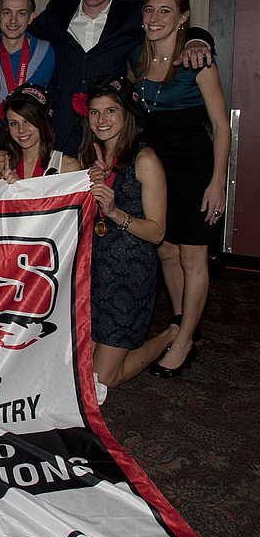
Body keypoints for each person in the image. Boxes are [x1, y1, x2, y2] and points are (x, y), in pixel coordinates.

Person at [128, 0, 231, 378]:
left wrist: (218, 182)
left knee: (192, 256)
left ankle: (184, 342)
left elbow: (221, 127)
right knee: (166, 250)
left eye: (165, 11)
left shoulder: (198, 61)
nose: (154, 19)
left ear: (183, 17)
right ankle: (182, 319)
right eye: (149, 10)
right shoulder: (136, 58)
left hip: (194, 169)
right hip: (156, 168)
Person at [28, 0, 213, 157]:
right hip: (59, 131)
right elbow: (15, 31)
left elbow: (173, 25)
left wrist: (197, 41)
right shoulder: (58, 9)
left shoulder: (134, 14)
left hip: (108, 134)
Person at [80, 76, 177, 390]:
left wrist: (115, 213)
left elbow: (158, 232)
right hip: (93, 274)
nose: (101, 120)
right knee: (79, 373)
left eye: (111, 111)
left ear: (127, 114)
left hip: (129, 278)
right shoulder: (91, 158)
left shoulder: (145, 160)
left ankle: (170, 336)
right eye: (95, 112)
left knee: (101, 380)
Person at [0, 84, 81, 182]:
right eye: (14, 123)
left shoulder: (67, 167)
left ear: (43, 122)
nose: (21, 130)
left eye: (27, 121)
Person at [0, 0, 55, 123]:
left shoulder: (45, 52)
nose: (13, 20)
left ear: (31, 18)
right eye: (7, 12)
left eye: (21, 13)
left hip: (27, 131)